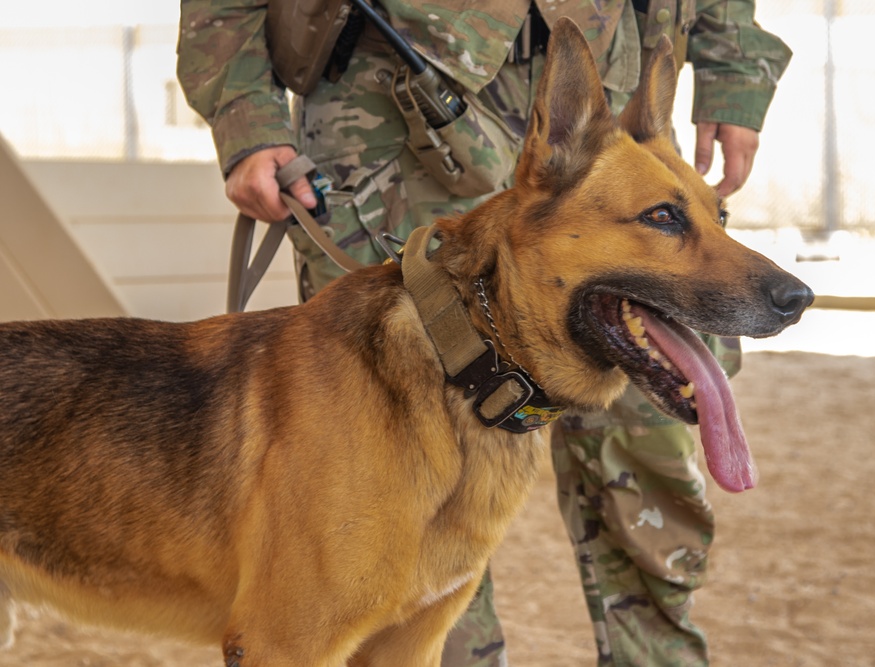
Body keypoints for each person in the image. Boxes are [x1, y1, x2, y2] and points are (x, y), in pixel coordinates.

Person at [177, 2, 791, 664]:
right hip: (399, 106)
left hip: (614, 84)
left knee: (650, 449)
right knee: (390, 503)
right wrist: (246, 112)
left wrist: (735, 69)